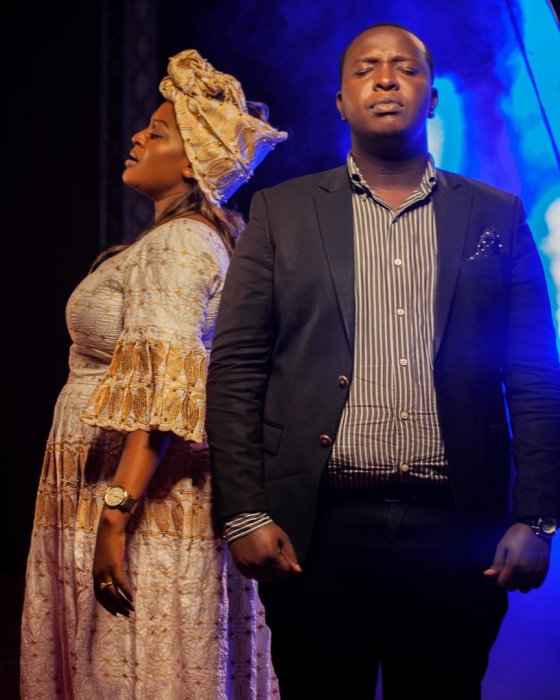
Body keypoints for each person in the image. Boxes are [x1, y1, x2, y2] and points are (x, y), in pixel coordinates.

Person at [206, 22, 560, 700]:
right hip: (317, 531)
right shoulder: (281, 212)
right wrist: (245, 512)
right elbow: (236, 370)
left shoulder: (496, 214)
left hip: (456, 531)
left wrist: (538, 516)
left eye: (406, 67)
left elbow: (535, 376)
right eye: (367, 67)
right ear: (341, 100)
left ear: (432, 98)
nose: (387, 79)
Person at [20, 49, 286, 699]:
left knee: (143, 670)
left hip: (141, 499)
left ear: (194, 161)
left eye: (158, 131)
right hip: (122, 488)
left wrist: (115, 517)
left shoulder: (180, 243)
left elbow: (166, 394)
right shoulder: (175, 239)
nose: (138, 136)